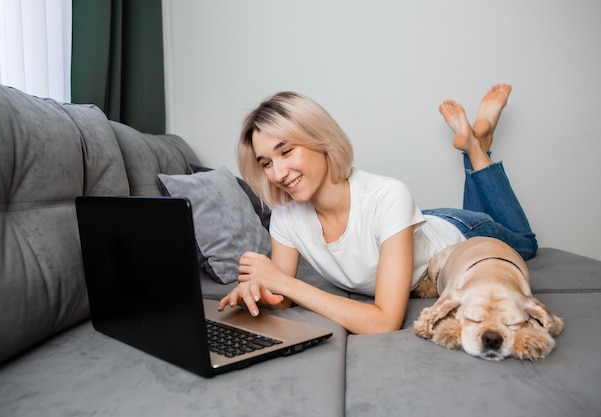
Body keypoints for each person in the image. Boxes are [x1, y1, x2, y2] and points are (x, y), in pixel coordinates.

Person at [218, 84, 537, 335]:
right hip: (404, 223)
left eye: (286, 151)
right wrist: (258, 289)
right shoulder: (286, 216)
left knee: (526, 243)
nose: (277, 174)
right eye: (267, 163)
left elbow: (384, 322)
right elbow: (282, 296)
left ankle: (477, 150)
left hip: (458, 233)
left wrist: (283, 282)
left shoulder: (388, 194)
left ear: (320, 139)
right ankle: (475, 144)